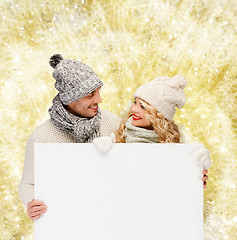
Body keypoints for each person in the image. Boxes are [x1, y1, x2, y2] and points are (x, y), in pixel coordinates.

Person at [18, 54, 121, 221]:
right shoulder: (42, 137)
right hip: (68, 222)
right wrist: (31, 203)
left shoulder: (112, 122)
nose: (99, 100)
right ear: (69, 99)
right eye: (90, 95)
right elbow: (27, 183)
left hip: (109, 218)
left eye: (98, 92)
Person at [94, 75, 210, 187]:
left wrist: (198, 168)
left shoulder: (175, 144)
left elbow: (176, 186)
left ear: (158, 116)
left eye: (142, 107)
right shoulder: (118, 133)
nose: (134, 109)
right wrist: (102, 153)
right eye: (135, 103)